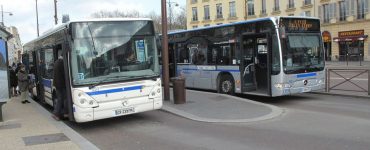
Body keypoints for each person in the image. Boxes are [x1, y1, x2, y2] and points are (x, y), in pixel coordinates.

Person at [52, 55, 67, 121]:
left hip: (58, 84)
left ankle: (63, 113)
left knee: (62, 99)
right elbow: (64, 73)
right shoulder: (61, 63)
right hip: (61, 85)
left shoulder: (56, 62)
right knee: (61, 99)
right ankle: (56, 114)